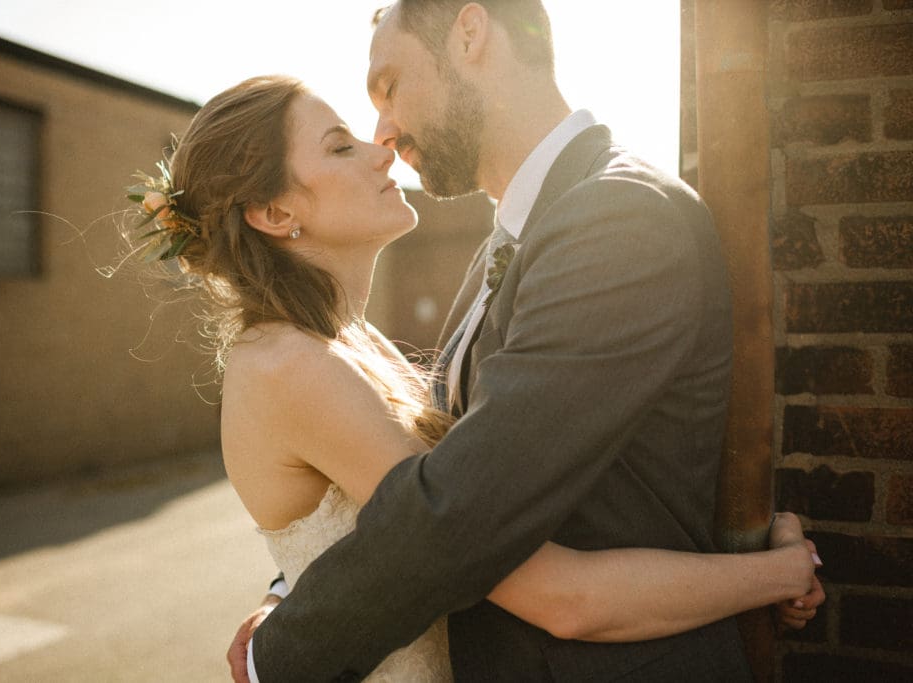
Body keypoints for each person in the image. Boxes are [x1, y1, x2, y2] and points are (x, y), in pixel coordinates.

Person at [217, 2, 825, 682]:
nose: (383, 133)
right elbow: (416, 480)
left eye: (390, 88)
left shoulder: (617, 220)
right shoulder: (504, 247)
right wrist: (291, 579)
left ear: (470, 34)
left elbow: (460, 512)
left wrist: (280, 650)